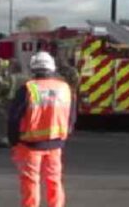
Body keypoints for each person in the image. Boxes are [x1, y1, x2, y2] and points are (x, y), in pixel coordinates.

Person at [8, 52, 77, 207]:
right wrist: (64, 136)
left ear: (33, 68)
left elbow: (14, 118)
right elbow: (71, 116)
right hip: (56, 143)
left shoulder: (28, 89)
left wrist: (14, 141)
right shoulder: (64, 88)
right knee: (54, 180)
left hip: (30, 144)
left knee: (31, 181)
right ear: (52, 68)